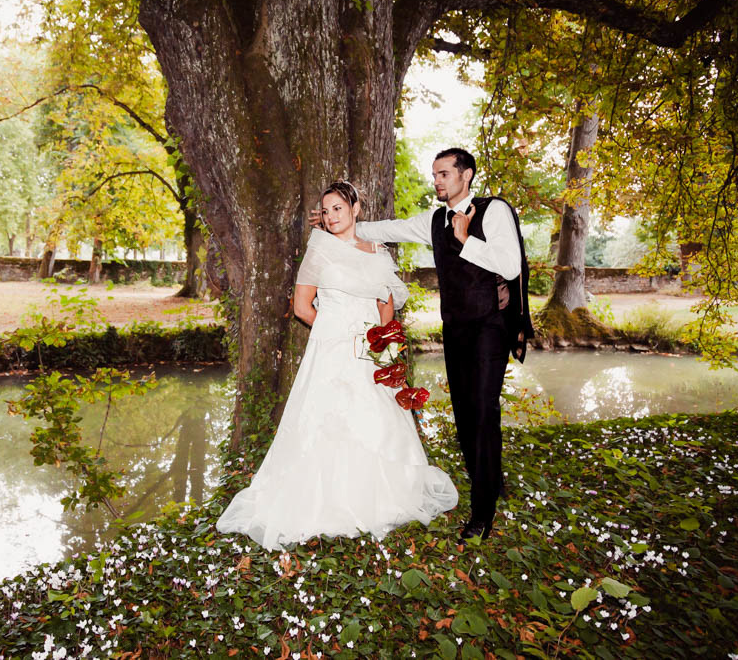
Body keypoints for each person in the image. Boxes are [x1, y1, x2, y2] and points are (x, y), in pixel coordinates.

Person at [216, 180, 458, 551]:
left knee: (375, 418)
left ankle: (379, 497)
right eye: (326, 211)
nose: (331, 217)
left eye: (338, 209)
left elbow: (385, 301)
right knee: (327, 417)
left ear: (356, 209)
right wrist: (341, 332)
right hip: (332, 346)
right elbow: (302, 307)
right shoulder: (319, 251)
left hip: (372, 350)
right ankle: (323, 501)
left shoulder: (377, 250)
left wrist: (382, 340)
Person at [332, 149, 534, 545]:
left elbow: (510, 266)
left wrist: (465, 240)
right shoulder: (434, 220)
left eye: (444, 174)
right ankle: (488, 479)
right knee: (463, 413)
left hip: (490, 326)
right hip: (455, 328)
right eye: (435, 174)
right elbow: (390, 229)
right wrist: (341, 223)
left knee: (483, 410)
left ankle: (483, 511)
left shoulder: (494, 211)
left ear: (467, 175)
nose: (437, 181)